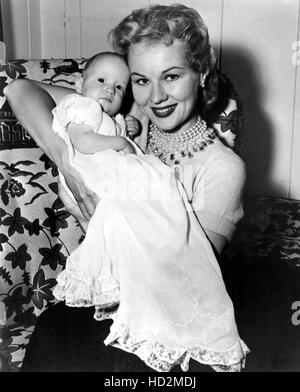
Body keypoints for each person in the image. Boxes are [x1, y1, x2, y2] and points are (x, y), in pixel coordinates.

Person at [4, 4, 249, 372]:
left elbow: (180, 281)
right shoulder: (123, 119)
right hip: (103, 294)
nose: (156, 98)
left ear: (200, 72)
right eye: (141, 80)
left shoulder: (223, 169)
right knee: (51, 335)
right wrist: (69, 161)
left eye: (171, 76)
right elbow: (21, 89)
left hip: (166, 320)